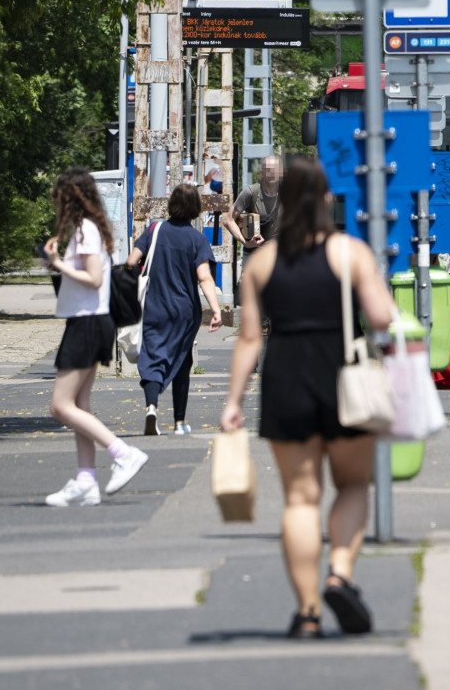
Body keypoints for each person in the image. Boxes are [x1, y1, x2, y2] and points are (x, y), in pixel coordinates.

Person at [220, 156, 397, 639]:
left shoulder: (262, 264)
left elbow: (250, 338)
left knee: (300, 499)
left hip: (285, 378)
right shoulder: (350, 252)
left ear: (284, 200)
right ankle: (340, 571)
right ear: (325, 200)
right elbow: (382, 318)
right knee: (354, 486)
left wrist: (232, 402)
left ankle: (308, 612)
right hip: (342, 375)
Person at [42, 169, 149, 507]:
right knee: (79, 405)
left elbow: (93, 278)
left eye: (59, 195)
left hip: (87, 324)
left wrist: (58, 264)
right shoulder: (87, 229)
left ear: (70, 197)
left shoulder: (85, 229)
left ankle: (123, 453)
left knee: (60, 405)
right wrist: (55, 263)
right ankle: (86, 480)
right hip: (89, 321)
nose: (55, 202)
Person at [127, 183, 223, 436]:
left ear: (172, 205)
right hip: (184, 311)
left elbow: (131, 261)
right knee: (182, 358)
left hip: (153, 306)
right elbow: (204, 278)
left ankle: (151, 407)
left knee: (152, 357)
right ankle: (180, 423)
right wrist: (216, 310)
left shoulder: (154, 230)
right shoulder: (197, 240)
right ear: (195, 209)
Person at [222, 154, 282, 250]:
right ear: (262, 172)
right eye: (268, 170)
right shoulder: (251, 192)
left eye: (275, 169)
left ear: (280, 171)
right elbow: (228, 220)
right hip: (254, 254)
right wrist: (246, 243)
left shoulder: (288, 193)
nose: (271, 173)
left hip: (279, 255)